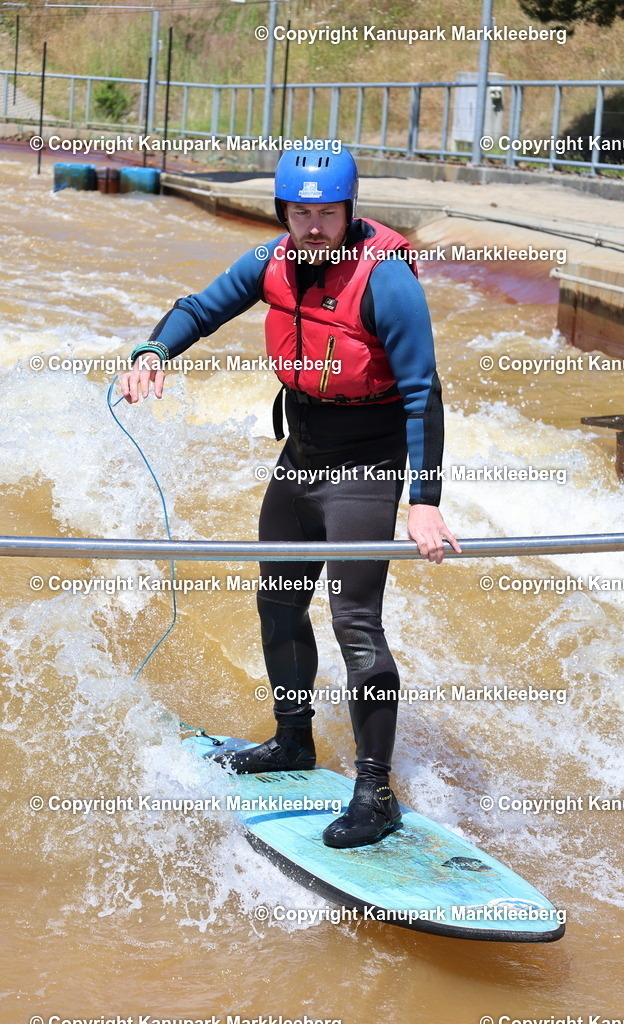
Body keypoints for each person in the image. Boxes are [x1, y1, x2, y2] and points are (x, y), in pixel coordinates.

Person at [120, 142, 459, 849]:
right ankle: (292, 741)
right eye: (300, 212)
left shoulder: (385, 276)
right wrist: (152, 352)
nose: (313, 226)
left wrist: (422, 498)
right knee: (277, 600)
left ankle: (375, 792)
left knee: (355, 622)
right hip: (300, 454)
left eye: (327, 213)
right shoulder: (271, 260)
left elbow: (423, 392)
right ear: (283, 211)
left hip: (366, 463)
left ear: (349, 211)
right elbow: (199, 308)